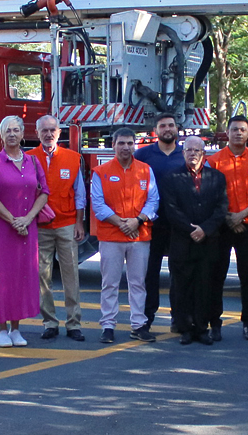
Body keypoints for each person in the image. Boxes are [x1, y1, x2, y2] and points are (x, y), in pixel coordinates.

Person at [0, 116, 50, 347]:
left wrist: (28, 218)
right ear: (1, 136)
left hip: (27, 227)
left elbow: (44, 192)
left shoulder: (33, 161)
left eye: (15, 130)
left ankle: (15, 328)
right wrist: (14, 221)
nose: (12, 134)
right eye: (7, 131)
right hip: (1, 228)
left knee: (22, 275)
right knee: (2, 275)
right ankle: (1, 328)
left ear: (23, 134)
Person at [91, 127, 159, 344]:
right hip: (111, 236)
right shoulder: (100, 172)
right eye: (121, 143)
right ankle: (108, 326)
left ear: (135, 145)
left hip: (139, 236)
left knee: (138, 283)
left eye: (130, 143)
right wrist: (122, 224)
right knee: (109, 283)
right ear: (113, 145)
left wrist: (137, 221)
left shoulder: (146, 170)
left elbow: (153, 201)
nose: (126, 147)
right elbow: (98, 205)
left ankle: (138, 325)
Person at [206, 114, 248, 341]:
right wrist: (228, 219)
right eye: (234, 129)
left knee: (247, 277)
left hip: (247, 227)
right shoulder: (213, 161)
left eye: (243, 129)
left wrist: (240, 217)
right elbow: (209, 194)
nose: (239, 133)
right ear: (228, 133)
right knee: (217, 276)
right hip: (221, 227)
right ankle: (215, 324)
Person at [160, 136, 229, 345]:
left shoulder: (217, 177)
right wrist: (191, 230)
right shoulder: (172, 177)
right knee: (182, 287)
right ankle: (185, 329)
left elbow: (221, 208)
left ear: (203, 154)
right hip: (182, 241)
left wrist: (205, 230)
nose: (192, 154)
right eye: (188, 150)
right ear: (183, 153)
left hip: (207, 242)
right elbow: (171, 210)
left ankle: (202, 328)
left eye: (197, 150)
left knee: (204, 286)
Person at [28, 115, 87, 342]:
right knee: (42, 276)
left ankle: (74, 323)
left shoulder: (73, 158)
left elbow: (80, 194)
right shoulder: (29, 158)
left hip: (67, 224)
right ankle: (50, 322)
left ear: (59, 133)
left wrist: (80, 222)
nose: (49, 134)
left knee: (71, 274)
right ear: (37, 132)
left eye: (52, 130)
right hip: (40, 226)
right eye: (44, 130)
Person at [134, 113, 184, 332]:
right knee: (149, 274)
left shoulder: (187, 153)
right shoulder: (143, 155)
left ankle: (179, 318)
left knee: (179, 272)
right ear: (155, 130)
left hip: (180, 225)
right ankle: (146, 319)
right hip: (150, 223)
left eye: (171, 125)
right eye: (163, 125)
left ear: (177, 129)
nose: (167, 129)